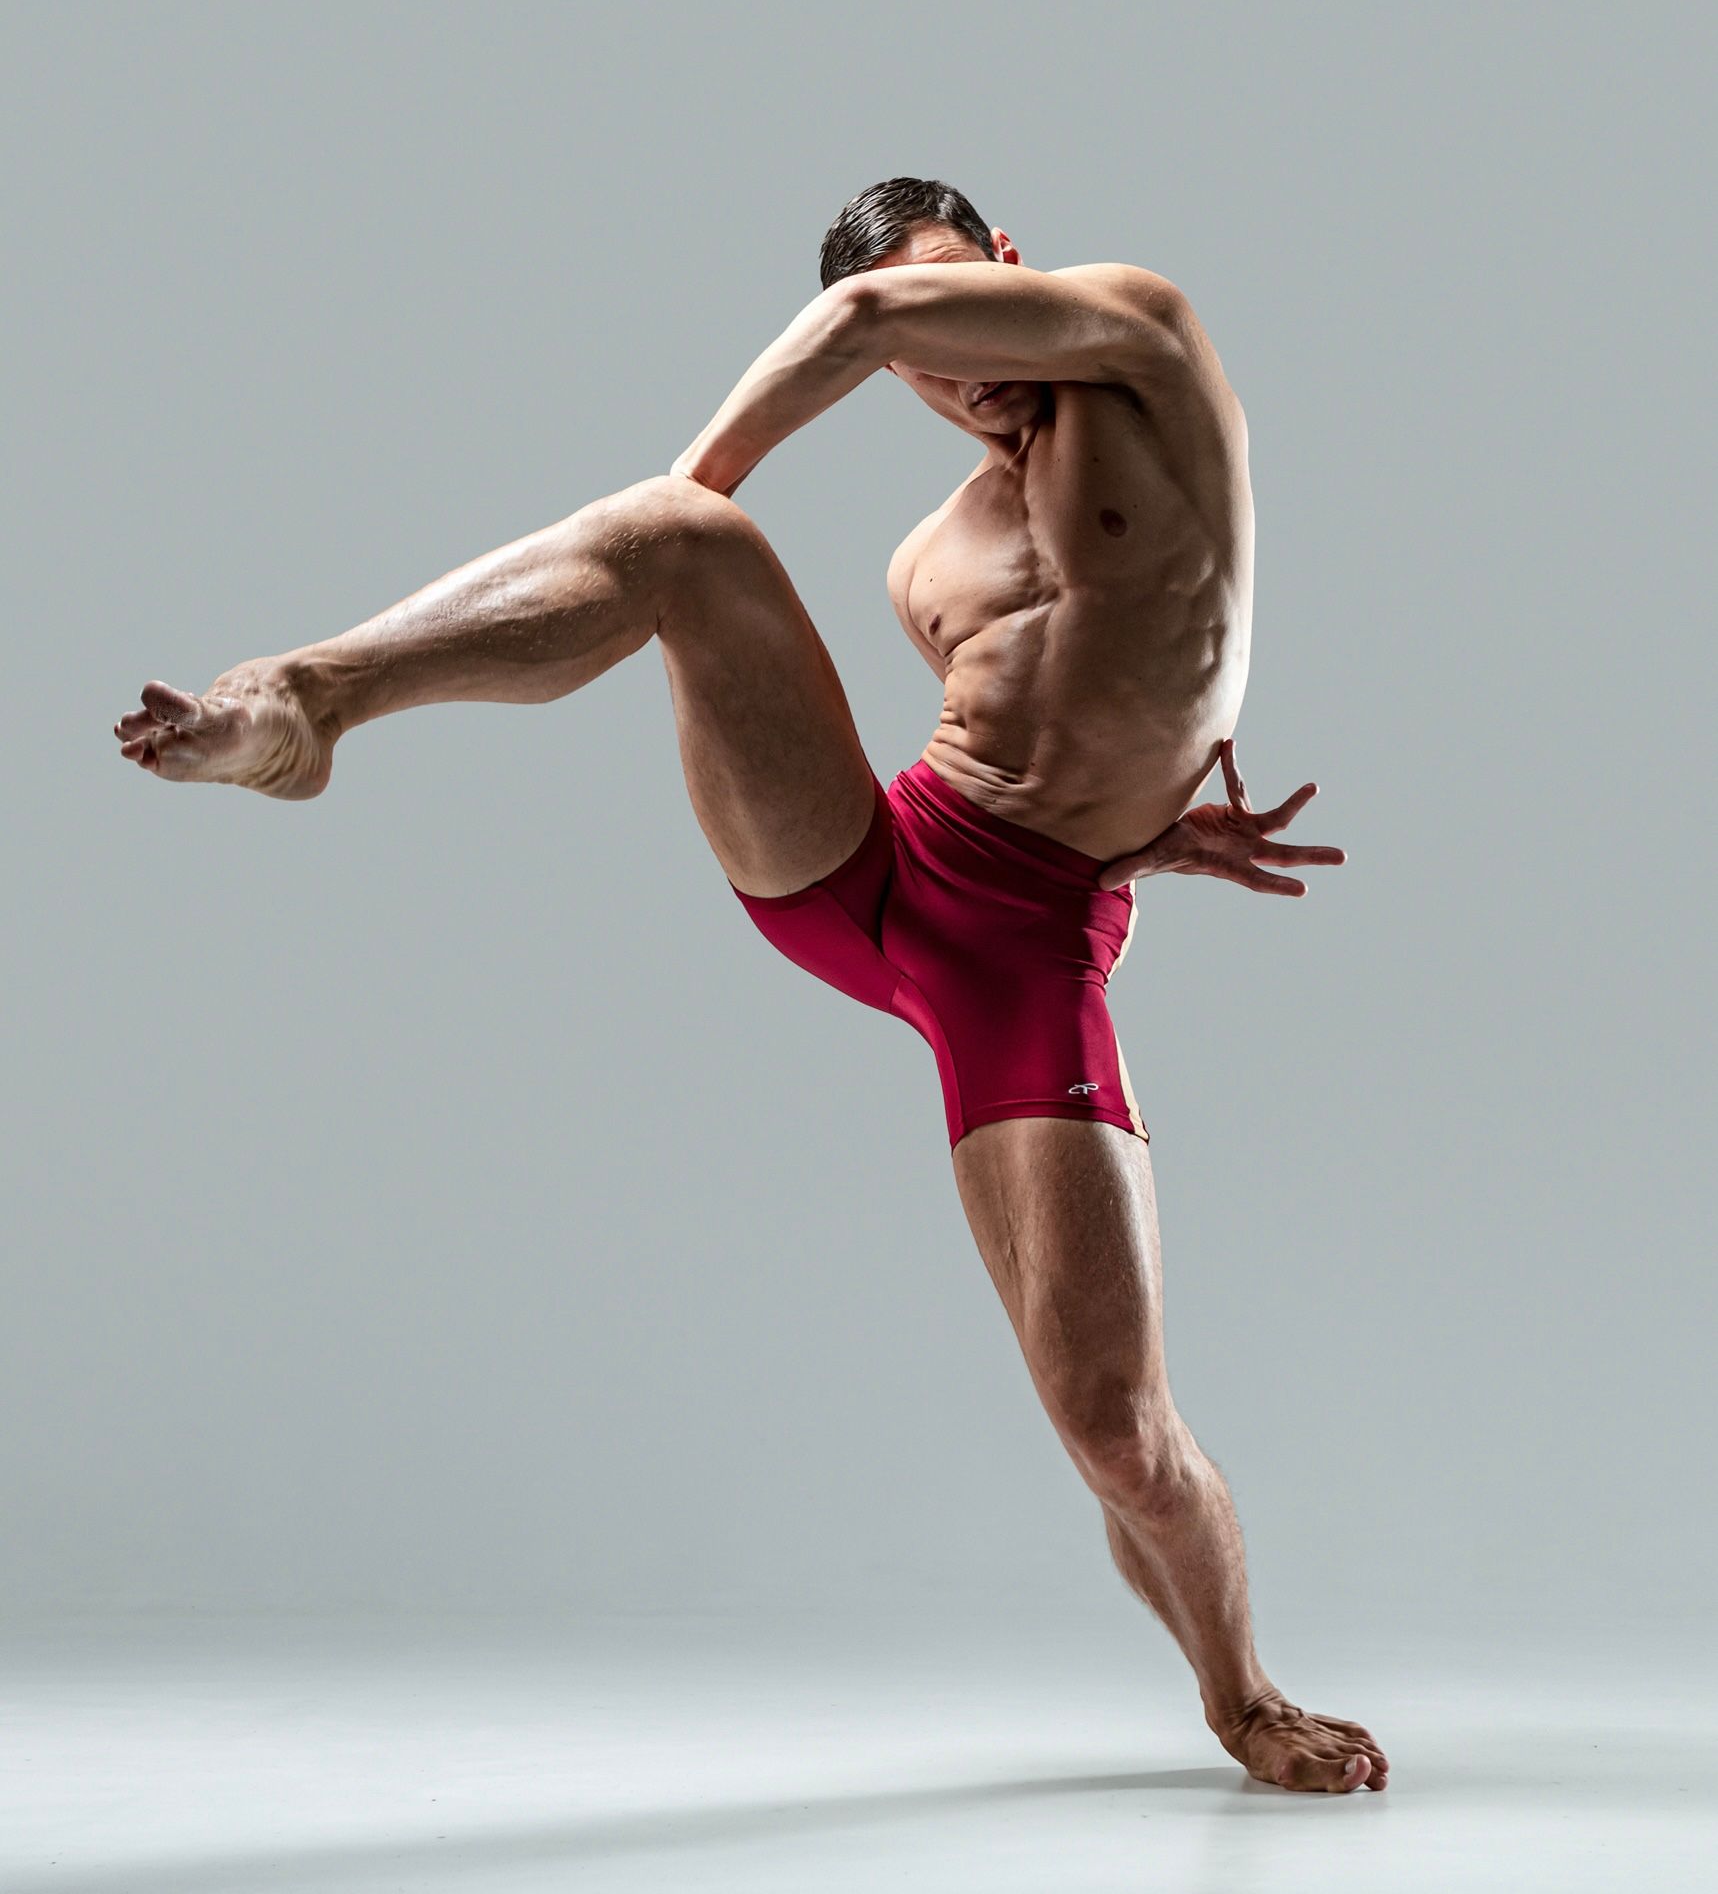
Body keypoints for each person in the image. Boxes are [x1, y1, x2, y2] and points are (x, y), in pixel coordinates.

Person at [113, 175, 1387, 1793]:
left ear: (1009, 268)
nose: (959, 368)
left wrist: (1125, 845)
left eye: (961, 308)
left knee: (1113, 1429)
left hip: (1023, 952)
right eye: (926, 365)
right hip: (869, 871)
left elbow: (882, 333)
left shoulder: (1145, 340)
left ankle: (1236, 1690)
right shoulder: (929, 555)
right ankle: (302, 703)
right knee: (680, 547)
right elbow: (1045, 727)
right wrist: (1133, 815)